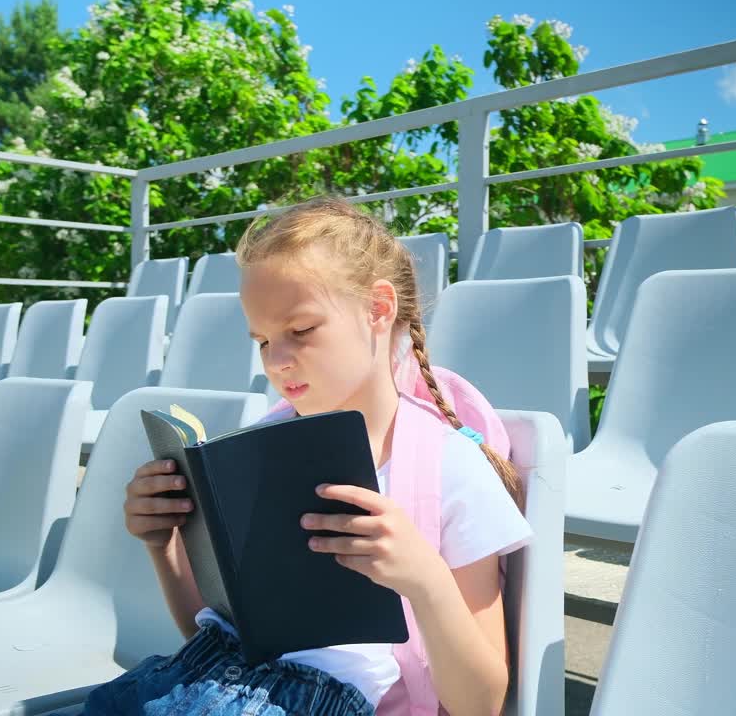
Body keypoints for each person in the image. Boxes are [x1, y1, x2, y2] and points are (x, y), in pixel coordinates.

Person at [86, 196, 532, 715]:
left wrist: (425, 579)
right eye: (262, 341)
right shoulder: (261, 448)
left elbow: (481, 704)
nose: (276, 361)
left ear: (378, 309)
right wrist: (161, 546)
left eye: (301, 331)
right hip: (208, 682)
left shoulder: (450, 469)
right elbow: (216, 638)